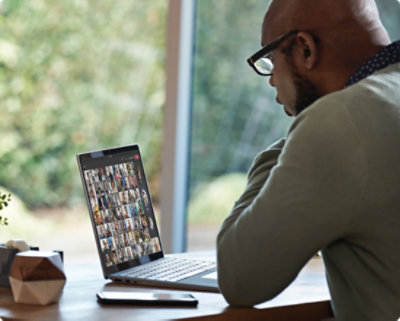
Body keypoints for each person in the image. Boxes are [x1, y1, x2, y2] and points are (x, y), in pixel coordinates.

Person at [216, 1, 400, 320]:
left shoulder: (339, 122)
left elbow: (239, 278)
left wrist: (292, 139)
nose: (272, 80)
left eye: (271, 59)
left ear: (305, 49)